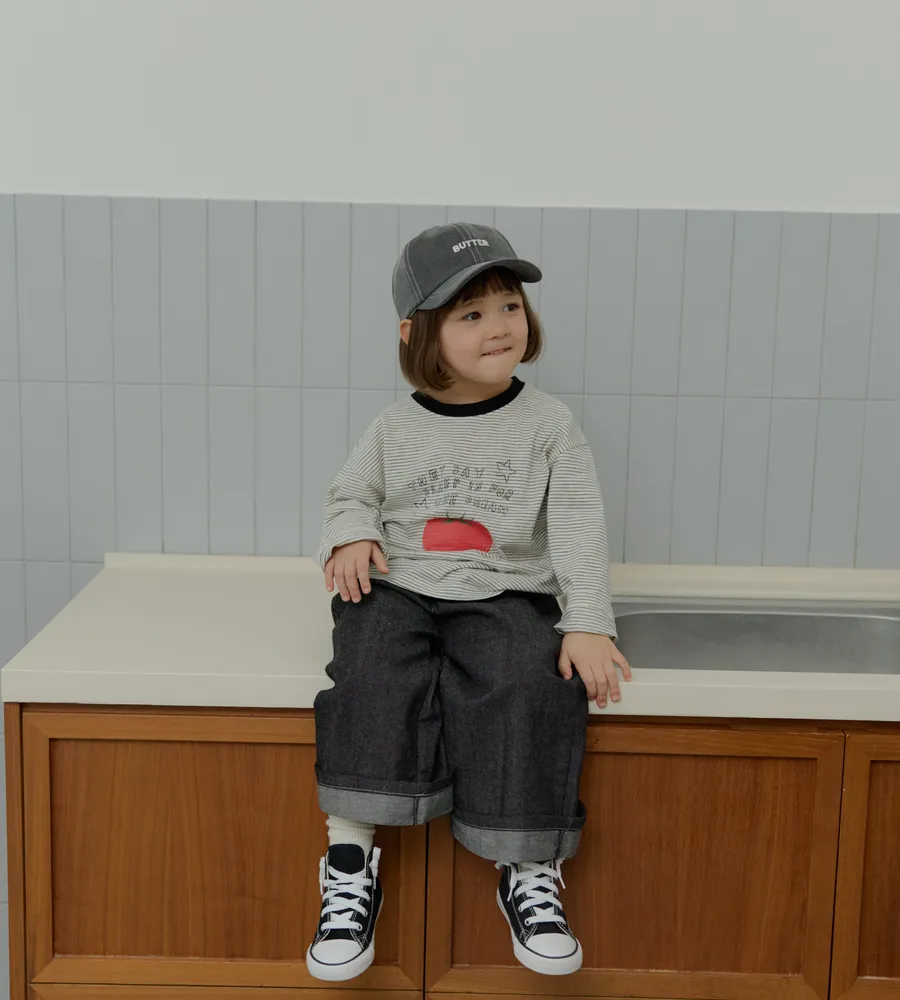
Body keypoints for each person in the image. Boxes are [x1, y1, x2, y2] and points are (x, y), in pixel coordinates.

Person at [306, 222, 632, 981]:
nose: (499, 326)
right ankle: (349, 863)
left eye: (509, 306)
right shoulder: (393, 427)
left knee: (530, 679)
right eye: (472, 313)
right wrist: (351, 535)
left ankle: (528, 867)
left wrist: (587, 622)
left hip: (502, 590)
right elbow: (350, 494)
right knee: (371, 675)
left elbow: (578, 524)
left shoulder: (548, 425)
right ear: (417, 333)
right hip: (397, 585)